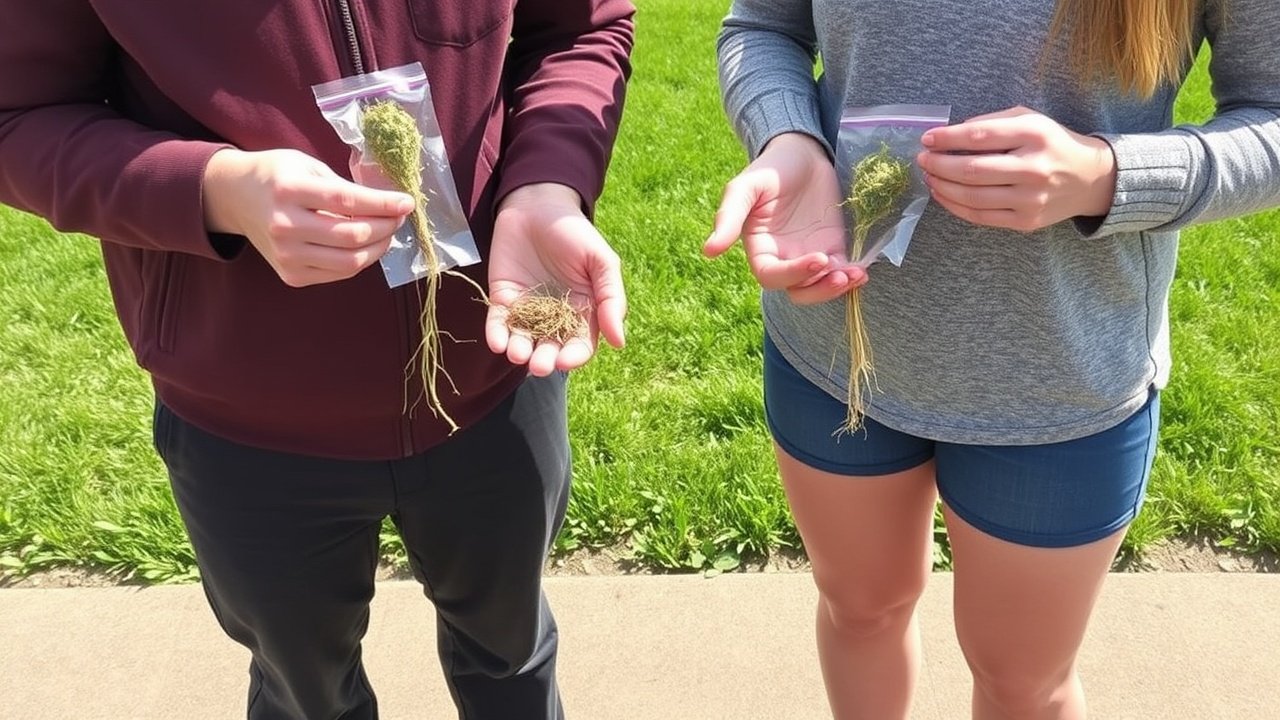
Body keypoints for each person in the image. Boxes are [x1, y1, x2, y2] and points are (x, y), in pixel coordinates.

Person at [0, 2, 633, 718]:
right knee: (306, 693)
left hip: (491, 378)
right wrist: (213, 189)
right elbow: (19, 117)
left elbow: (581, 28)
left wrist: (548, 180)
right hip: (251, 423)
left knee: (511, 652)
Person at [707, 1, 1279, 718]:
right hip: (835, 344)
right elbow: (764, 26)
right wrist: (785, 135)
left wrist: (1107, 174)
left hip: (1060, 384)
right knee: (860, 610)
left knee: (1023, 685)